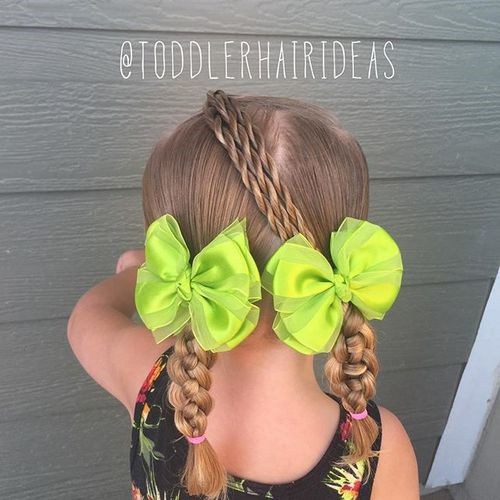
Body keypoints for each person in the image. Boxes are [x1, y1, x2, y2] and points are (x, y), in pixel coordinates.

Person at [67, 89, 419, 499]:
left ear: (172, 266)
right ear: (348, 259)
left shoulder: (150, 377)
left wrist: (135, 272)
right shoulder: (378, 448)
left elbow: (87, 317)